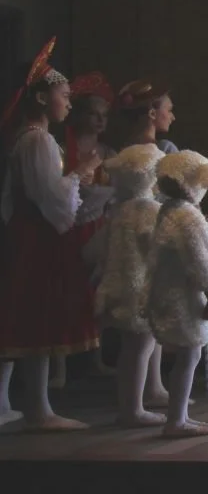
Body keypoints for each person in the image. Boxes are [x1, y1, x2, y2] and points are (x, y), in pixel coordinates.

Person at [0, 41, 101, 430]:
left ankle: (12, 403)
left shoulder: (35, 139)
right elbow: (53, 198)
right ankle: (39, 409)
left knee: (21, 316)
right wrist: (82, 171)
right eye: (63, 96)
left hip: (31, 234)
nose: (68, 104)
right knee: (36, 316)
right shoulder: (36, 140)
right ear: (42, 98)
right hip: (36, 238)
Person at [146, 150, 208, 438]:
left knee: (186, 355)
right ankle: (176, 420)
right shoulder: (189, 216)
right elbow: (202, 261)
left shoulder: (169, 210)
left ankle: (179, 417)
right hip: (186, 295)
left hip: (166, 290)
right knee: (190, 355)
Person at [92, 144, 167, 426]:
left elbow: (94, 248)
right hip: (141, 288)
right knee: (141, 347)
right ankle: (133, 409)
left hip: (118, 284)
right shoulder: (150, 209)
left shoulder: (120, 212)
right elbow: (157, 244)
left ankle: (129, 405)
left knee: (129, 348)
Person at [114, 78, 177, 406]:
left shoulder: (139, 152)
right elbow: (147, 200)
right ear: (152, 113)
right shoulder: (144, 155)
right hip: (141, 239)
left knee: (146, 329)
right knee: (139, 330)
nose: (172, 116)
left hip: (138, 234)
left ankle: (147, 393)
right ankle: (131, 407)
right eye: (168, 109)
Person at [56, 71, 118, 385]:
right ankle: (58, 366)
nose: (98, 121)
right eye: (92, 114)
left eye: (103, 116)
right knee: (62, 294)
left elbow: (119, 192)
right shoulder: (60, 149)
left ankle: (95, 357)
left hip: (98, 229)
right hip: (65, 231)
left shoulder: (108, 155)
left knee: (97, 295)